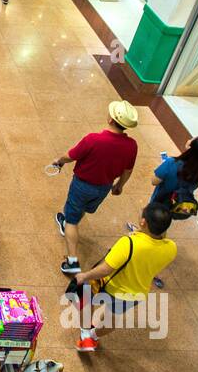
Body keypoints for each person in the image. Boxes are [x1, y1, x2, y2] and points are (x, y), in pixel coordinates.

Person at [69, 203, 177, 352]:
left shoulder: (129, 243)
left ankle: (85, 332)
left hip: (111, 286)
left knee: (85, 296)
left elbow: (105, 269)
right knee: (112, 319)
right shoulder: (171, 248)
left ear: (143, 222)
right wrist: (141, 232)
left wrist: (84, 276)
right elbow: (155, 243)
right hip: (135, 294)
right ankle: (93, 337)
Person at [50, 101, 139, 276]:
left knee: (72, 221)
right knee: (80, 210)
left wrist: (58, 161)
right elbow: (128, 170)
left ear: (111, 119)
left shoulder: (93, 139)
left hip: (82, 185)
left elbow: (70, 156)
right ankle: (69, 220)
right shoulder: (132, 145)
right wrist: (119, 186)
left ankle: (72, 261)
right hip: (103, 188)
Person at [136, 137, 198, 227]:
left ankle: (141, 232)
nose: (189, 139)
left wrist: (162, 170)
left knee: (148, 217)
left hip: (160, 200)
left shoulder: (171, 163)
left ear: (190, 148)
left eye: (191, 139)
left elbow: (154, 181)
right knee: (164, 222)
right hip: (179, 204)